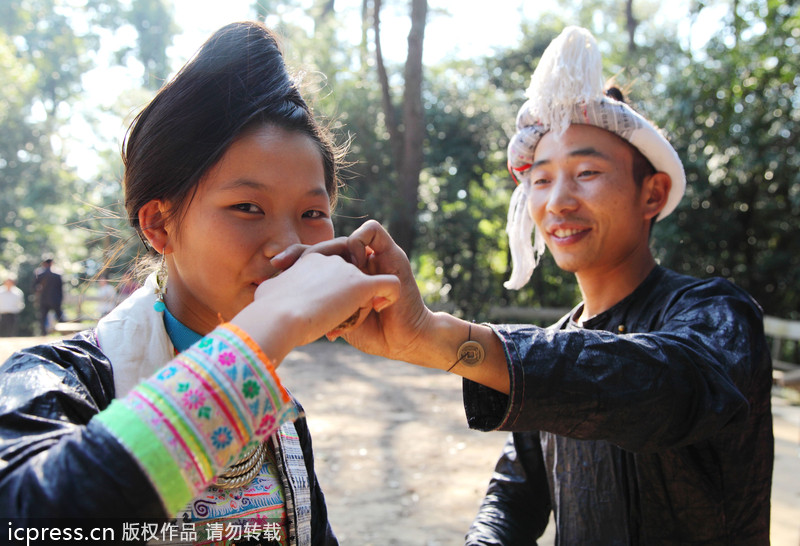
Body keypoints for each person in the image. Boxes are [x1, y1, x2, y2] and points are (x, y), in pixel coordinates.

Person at [278, 26, 774, 544]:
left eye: (586, 172)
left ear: (653, 194)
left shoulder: (719, 316)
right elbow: (514, 495)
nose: (557, 200)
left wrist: (438, 337)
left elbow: (666, 385)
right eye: (540, 178)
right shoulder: (553, 348)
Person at [0, 21, 400, 546]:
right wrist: (269, 328)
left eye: (311, 212)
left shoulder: (281, 412)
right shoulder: (59, 384)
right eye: (247, 207)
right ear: (159, 224)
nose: (287, 246)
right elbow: (30, 520)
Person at [32, 255, 63, 334]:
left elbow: (34, 287)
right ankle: (64, 334)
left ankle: (43, 334)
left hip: (43, 299)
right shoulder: (57, 275)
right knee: (60, 317)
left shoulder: (39, 274)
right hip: (56, 299)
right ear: (52, 263)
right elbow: (60, 288)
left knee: (43, 318)